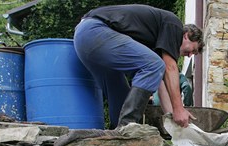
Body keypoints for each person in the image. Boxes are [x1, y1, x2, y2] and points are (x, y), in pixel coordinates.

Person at [74, 4, 204, 129]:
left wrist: (172, 117)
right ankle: (127, 127)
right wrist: (179, 109)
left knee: (121, 93)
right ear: (187, 36)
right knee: (154, 65)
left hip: (83, 40)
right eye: (193, 50)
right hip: (95, 30)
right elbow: (170, 67)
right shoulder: (174, 25)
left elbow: (160, 84)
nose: (190, 55)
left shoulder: (155, 46)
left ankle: (115, 135)